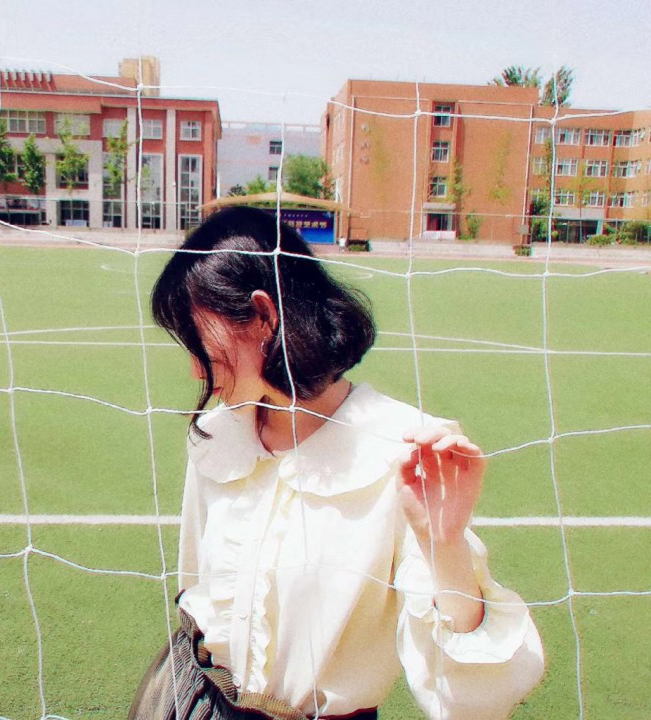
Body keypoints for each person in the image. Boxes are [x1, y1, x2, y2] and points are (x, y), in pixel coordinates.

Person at [130, 207, 544, 720]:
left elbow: (472, 699)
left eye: (199, 341)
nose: (196, 369)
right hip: (195, 700)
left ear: (263, 317)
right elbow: (195, 585)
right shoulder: (219, 434)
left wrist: (446, 543)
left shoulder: (402, 452)